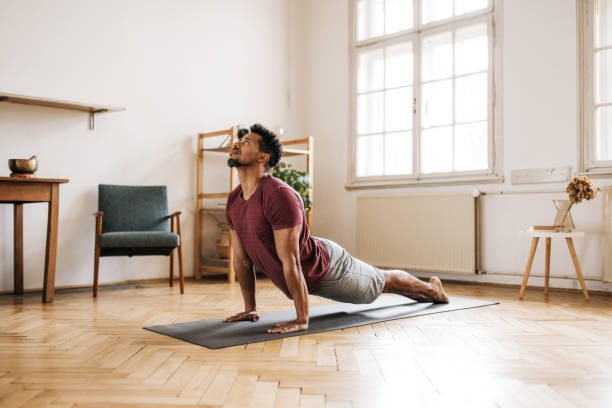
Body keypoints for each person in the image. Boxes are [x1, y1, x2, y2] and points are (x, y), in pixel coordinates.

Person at [224, 123, 449, 334]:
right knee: (380, 283)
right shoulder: (235, 200)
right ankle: (425, 291)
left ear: (264, 157)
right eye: (239, 140)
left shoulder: (278, 196)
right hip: (309, 264)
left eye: (246, 142)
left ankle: (433, 290)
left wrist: (302, 320)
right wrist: (250, 308)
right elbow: (242, 261)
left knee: (380, 283)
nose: (237, 143)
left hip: (328, 268)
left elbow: (291, 261)